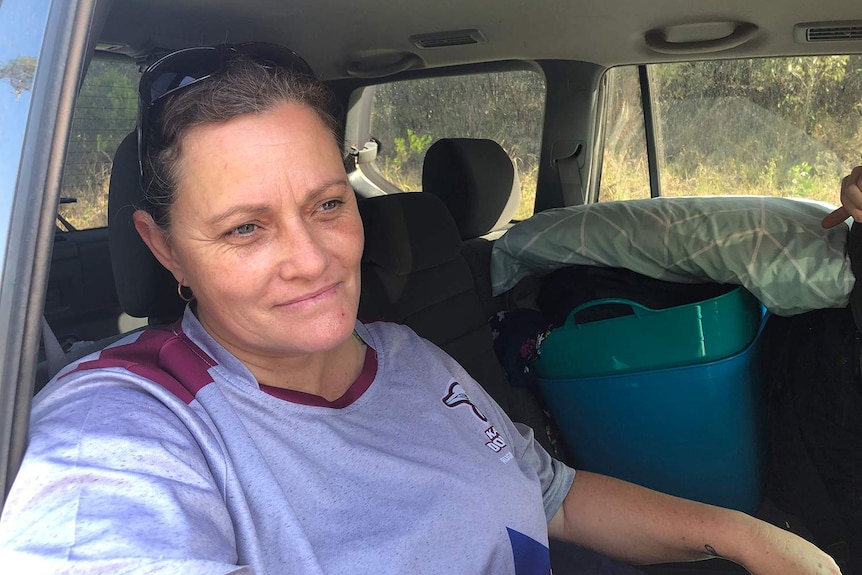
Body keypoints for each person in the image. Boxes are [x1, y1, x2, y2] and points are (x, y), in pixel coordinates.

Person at [0, 42, 842, 575]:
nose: (312, 258)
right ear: (165, 249)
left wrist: (742, 534)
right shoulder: (125, 426)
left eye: (329, 204)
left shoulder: (404, 354)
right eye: (246, 227)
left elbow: (555, 495)